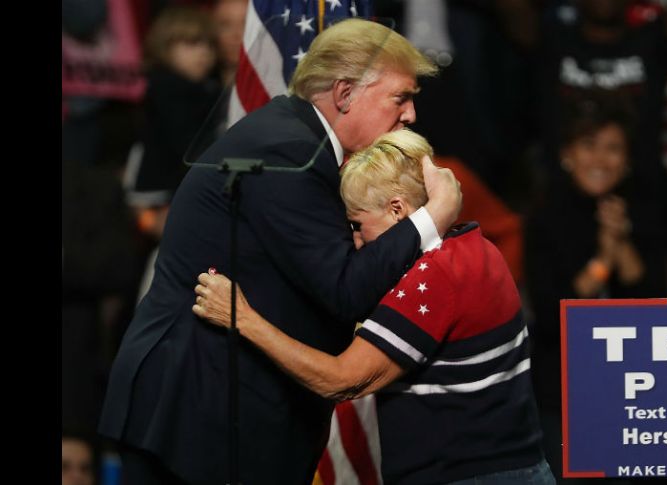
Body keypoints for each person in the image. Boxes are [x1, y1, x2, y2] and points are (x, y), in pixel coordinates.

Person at [98, 18, 461, 485]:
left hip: (218, 409)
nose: (410, 114)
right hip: (199, 414)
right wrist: (433, 216)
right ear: (346, 94)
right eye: (400, 97)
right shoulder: (289, 153)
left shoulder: (293, 138)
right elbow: (346, 291)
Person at [193, 129, 554, 485]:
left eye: (357, 223)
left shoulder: (434, 276)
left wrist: (241, 317)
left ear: (398, 210)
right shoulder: (477, 247)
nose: (354, 241)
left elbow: (341, 380)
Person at [524, 94, 666, 484]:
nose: (600, 160)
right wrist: (603, 260)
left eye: (613, 148)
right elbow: (554, 316)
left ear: (628, 159)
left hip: (637, 383)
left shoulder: (646, 210)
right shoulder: (545, 218)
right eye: (589, 146)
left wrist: (620, 243)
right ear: (568, 154)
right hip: (565, 386)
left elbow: (658, 306)